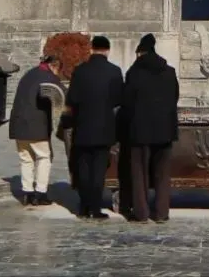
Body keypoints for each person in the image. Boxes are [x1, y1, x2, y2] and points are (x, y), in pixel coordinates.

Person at [65, 34, 124, 220]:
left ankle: (84, 207)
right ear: (107, 50)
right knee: (99, 169)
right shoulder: (114, 71)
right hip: (104, 127)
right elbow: (118, 99)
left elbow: (72, 99)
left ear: (91, 49)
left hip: (83, 126)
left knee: (83, 167)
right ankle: (96, 208)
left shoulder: (80, 71)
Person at [122, 34, 179, 224]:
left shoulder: (134, 73)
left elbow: (127, 101)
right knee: (163, 173)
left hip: (140, 130)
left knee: (139, 173)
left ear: (140, 53)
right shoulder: (169, 72)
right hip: (165, 129)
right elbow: (175, 97)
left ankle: (141, 212)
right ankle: (162, 212)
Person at [8, 44, 67, 207]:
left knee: (26, 159)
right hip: (36, 127)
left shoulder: (29, 74)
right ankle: (40, 193)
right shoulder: (49, 77)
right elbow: (63, 94)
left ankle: (27, 193)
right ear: (54, 66)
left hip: (18, 125)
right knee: (44, 157)